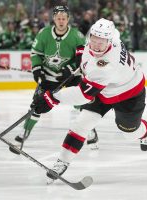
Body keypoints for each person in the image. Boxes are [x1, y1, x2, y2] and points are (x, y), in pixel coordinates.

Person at [31, 18, 147, 183]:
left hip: (129, 94)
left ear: (109, 41)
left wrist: (52, 98)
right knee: (81, 124)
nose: (95, 44)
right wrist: (81, 59)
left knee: (129, 132)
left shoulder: (106, 65)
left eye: (101, 41)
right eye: (94, 38)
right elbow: (88, 55)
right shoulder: (112, 38)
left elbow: (83, 95)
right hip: (104, 91)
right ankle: (62, 161)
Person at [10, 5, 98, 153]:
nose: (61, 21)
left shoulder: (77, 36)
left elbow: (82, 59)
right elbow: (35, 53)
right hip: (49, 75)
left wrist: (69, 70)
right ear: (54, 19)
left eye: (64, 18)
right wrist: (37, 68)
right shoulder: (44, 34)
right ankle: (25, 132)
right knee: (37, 104)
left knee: (80, 104)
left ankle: (90, 131)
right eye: (58, 18)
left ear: (68, 19)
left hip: (71, 76)